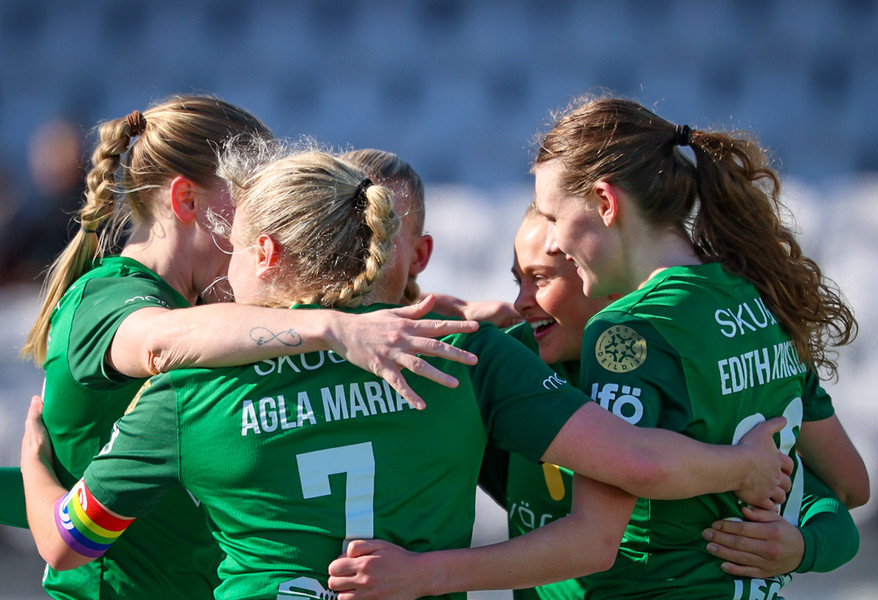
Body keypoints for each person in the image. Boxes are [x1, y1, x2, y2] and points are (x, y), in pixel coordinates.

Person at [22, 143, 791, 600]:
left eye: (236, 249)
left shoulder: (187, 391)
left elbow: (68, 544)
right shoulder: (465, 351)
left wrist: (33, 463)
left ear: (266, 252)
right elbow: (634, 467)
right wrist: (742, 464)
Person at [15, 95, 479, 600]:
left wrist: (427, 312)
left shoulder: (208, 308)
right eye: (245, 194)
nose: (262, 217)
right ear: (186, 200)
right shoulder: (107, 296)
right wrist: (332, 326)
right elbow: (159, 344)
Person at [327, 203, 860, 599]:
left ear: (597, 274)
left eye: (540, 279)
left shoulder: (673, 368)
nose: (521, 301)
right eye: (517, 281)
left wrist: (802, 547)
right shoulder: (509, 365)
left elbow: (831, 498)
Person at [525, 93, 863, 598]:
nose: (552, 242)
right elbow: (851, 485)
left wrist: (428, 573)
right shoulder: (766, 299)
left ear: (605, 202)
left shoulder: (628, 328)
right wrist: (804, 546)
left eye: (553, 217)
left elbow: (594, 538)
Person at [341, 148, 521, 328]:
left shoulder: (468, 342)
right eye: (342, 232)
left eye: (382, 236)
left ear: (419, 255)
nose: (355, 252)